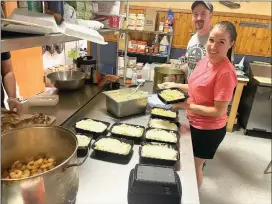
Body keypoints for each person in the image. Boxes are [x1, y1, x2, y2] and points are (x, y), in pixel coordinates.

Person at [159, 21, 238, 187]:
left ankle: (192, 197)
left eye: (221, 42)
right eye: (211, 40)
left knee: (194, 168)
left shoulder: (225, 73)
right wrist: (175, 85)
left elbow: (218, 111)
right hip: (192, 121)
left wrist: (183, 104)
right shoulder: (205, 60)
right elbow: (197, 87)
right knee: (183, 163)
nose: (213, 46)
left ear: (230, 44)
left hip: (208, 130)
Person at [183, 1, 213, 80]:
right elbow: (191, 65)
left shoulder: (215, 40)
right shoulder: (192, 39)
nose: (199, 18)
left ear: (210, 15)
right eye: (195, 14)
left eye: (203, 14)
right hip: (189, 89)